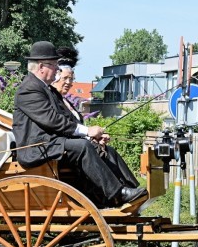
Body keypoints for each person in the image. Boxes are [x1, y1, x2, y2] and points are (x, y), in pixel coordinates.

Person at [13, 41, 147, 207]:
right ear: (41, 66)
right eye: (54, 65)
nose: (57, 69)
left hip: (52, 144)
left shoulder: (48, 90)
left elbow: (66, 119)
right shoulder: (29, 89)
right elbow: (52, 120)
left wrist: (92, 136)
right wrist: (87, 131)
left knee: (104, 149)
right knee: (83, 147)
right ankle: (117, 194)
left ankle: (131, 189)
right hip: (37, 148)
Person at [51, 48, 140, 192]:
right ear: (55, 77)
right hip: (64, 151)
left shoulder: (67, 102)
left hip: (75, 146)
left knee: (109, 151)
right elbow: (61, 127)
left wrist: (95, 138)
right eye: (65, 79)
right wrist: (88, 135)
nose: (69, 82)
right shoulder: (53, 101)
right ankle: (118, 193)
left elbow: (75, 128)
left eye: (71, 79)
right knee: (93, 150)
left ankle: (131, 187)